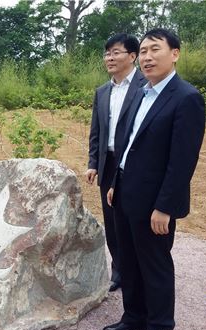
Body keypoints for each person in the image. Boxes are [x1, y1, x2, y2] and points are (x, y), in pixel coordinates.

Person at [103, 29, 206, 330]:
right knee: (128, 258)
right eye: (144, 51)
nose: (147, 57)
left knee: (154, 261)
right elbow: (127, 144)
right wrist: (115, 185)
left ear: (174, 53)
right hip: (124, 191)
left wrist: (165, 207)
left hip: (155, 201)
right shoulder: (140, 93)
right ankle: (133, 315)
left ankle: (160, 326)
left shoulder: (186, 97)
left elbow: (182, 161)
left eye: (154, 50)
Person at [85, 34, 147, 292]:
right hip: (108, 163)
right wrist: (93, 162)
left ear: (132, 56)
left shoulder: (146, 86)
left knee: (134, 219)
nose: (109, 58)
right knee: (112, 221)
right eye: (107, 53)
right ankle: (119, 271)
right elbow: (96, 131)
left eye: (116, 52)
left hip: (134, 165)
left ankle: (140, 271)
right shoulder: (102, 91)